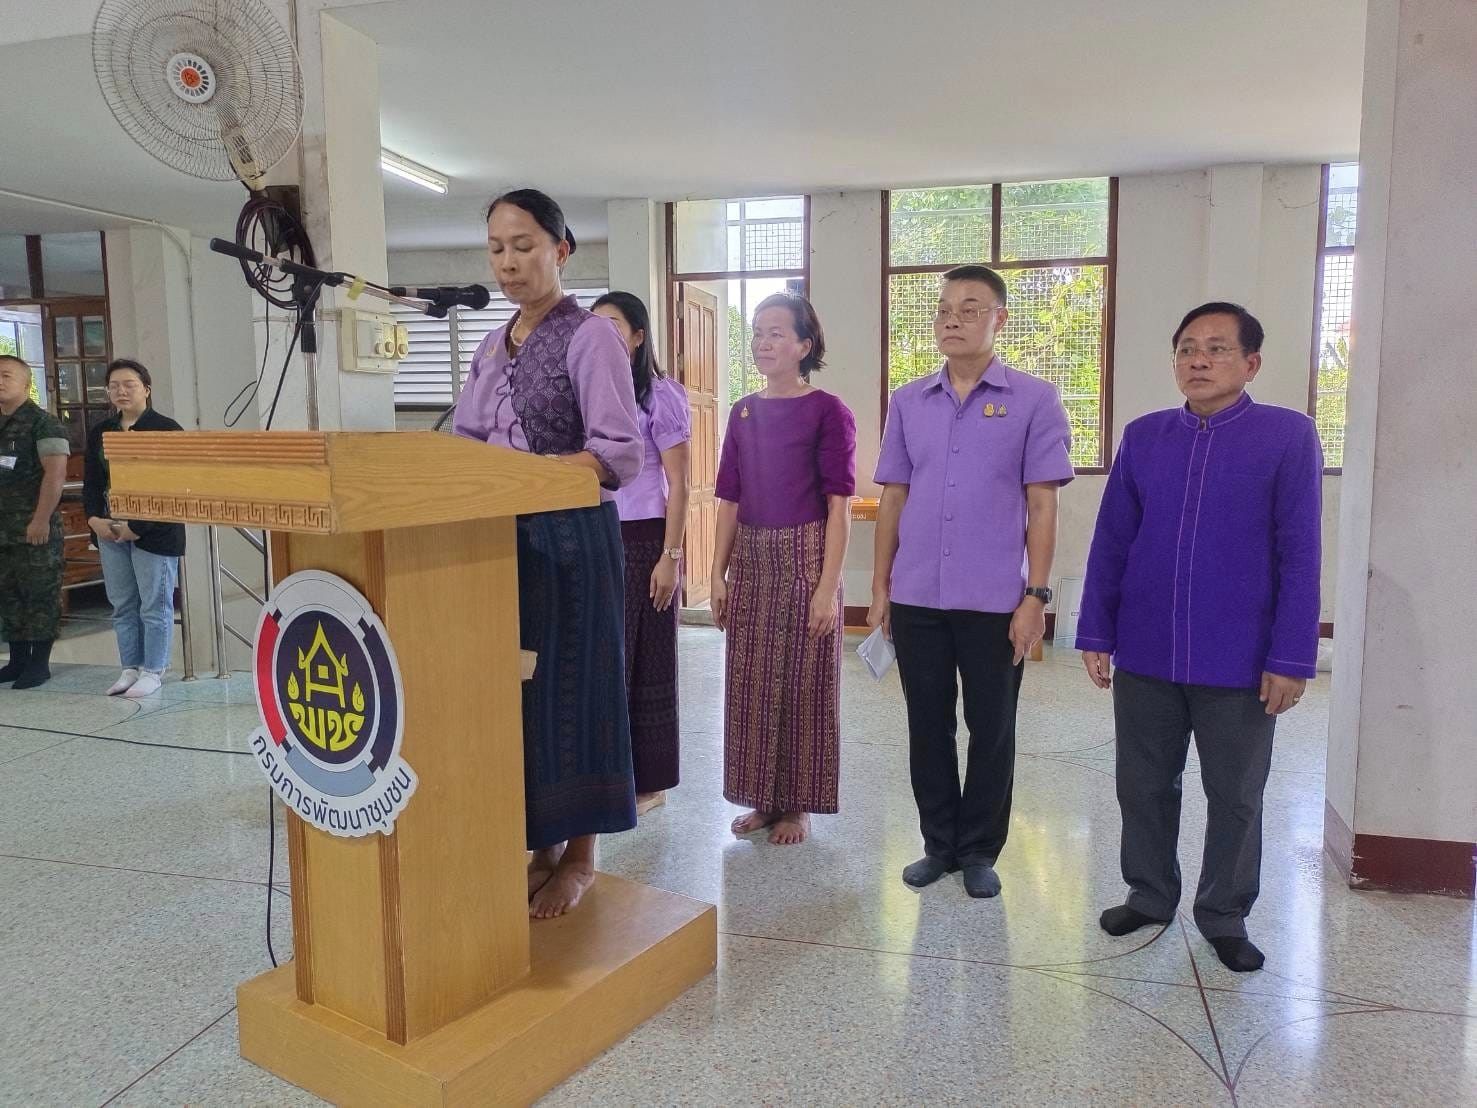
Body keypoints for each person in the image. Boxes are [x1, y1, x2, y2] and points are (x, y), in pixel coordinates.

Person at [1076, 301, 1321, 973]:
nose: (1198, 360)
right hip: (1147, 647)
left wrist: (1290, 656)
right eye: (1186, 348)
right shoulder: (1145, 436)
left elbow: (1299, 552)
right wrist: (1096, 630)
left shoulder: (1285, 437)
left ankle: (1223, 913)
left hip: (1239, 658)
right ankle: (1149, 895)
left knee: (1235, 794)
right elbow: (1112, 542)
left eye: (1215, 349)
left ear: (1250, 363)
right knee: (1142, 784)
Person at [452, 189, 643, 919]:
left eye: (524, 245)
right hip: (502, 541)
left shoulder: (588, 335)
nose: (508, 262)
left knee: (577, 689)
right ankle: (536, 847)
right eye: (497, 248)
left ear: (561, 250)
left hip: (572, 540)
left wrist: (526, 475)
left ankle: (583, 858)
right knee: (521, 695)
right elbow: (468, 442)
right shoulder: (491, 344)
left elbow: (617, 456)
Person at [870, 265, 1073, 899]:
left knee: (993, 725)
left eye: (970, 308)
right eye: (944, 310)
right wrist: (881, 589)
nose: (953, 320)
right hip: (917, 597)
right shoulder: (909, 401)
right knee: (926, 723)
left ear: (999, 319)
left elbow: (1043, 504)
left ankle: (981, 849)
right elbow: (894, 499)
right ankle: (939, 843)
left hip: (995, 601)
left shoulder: (1033, 399)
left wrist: (1035, 596)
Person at [712, 292, 855, 846]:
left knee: (803, 682)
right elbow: (728, 498)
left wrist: (828, 589)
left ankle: (797, 804)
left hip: (806, 554)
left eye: (776, 333)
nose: (763, 342)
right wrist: (717, 574)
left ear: (804, 344)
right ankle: (763, 799)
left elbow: (839, 506)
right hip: (751, 557)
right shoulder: (742, 411)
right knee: (750, 682)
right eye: (757, 332)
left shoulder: (828, 410)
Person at [594, 291, 690, 816]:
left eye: (614, 327)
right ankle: (609, 775)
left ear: (637, 336)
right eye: (595, 327)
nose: (603, 338)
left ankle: (649, 781)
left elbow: (680, 481)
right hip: (596, 533)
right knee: (607, 658)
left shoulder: (661, 395)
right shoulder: (588, 395)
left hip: (645, 539)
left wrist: (670, 556)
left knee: (647, 658)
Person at [82, 359, 186, 698]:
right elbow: (92, 482)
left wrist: (137, 526)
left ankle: (153, 669)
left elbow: (173, 486)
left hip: (153, 531)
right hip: (110, 526)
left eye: (129, 384)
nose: (121, 391)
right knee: (123, 602)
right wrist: (93, 519)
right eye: (114, 385)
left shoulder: (166, 428)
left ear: (147, 389)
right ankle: (130, 667)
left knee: (154, 603)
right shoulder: (102, 430)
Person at [0, 355, 68, 690]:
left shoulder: (44, 423)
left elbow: (55, 475)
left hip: (33, 527)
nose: (0, 381)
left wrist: (40, 520)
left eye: (6, 375)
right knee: (8, 594)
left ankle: (39, 664)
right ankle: (17, 661)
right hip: (2, 531)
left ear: (25, 383)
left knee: (39, 593)